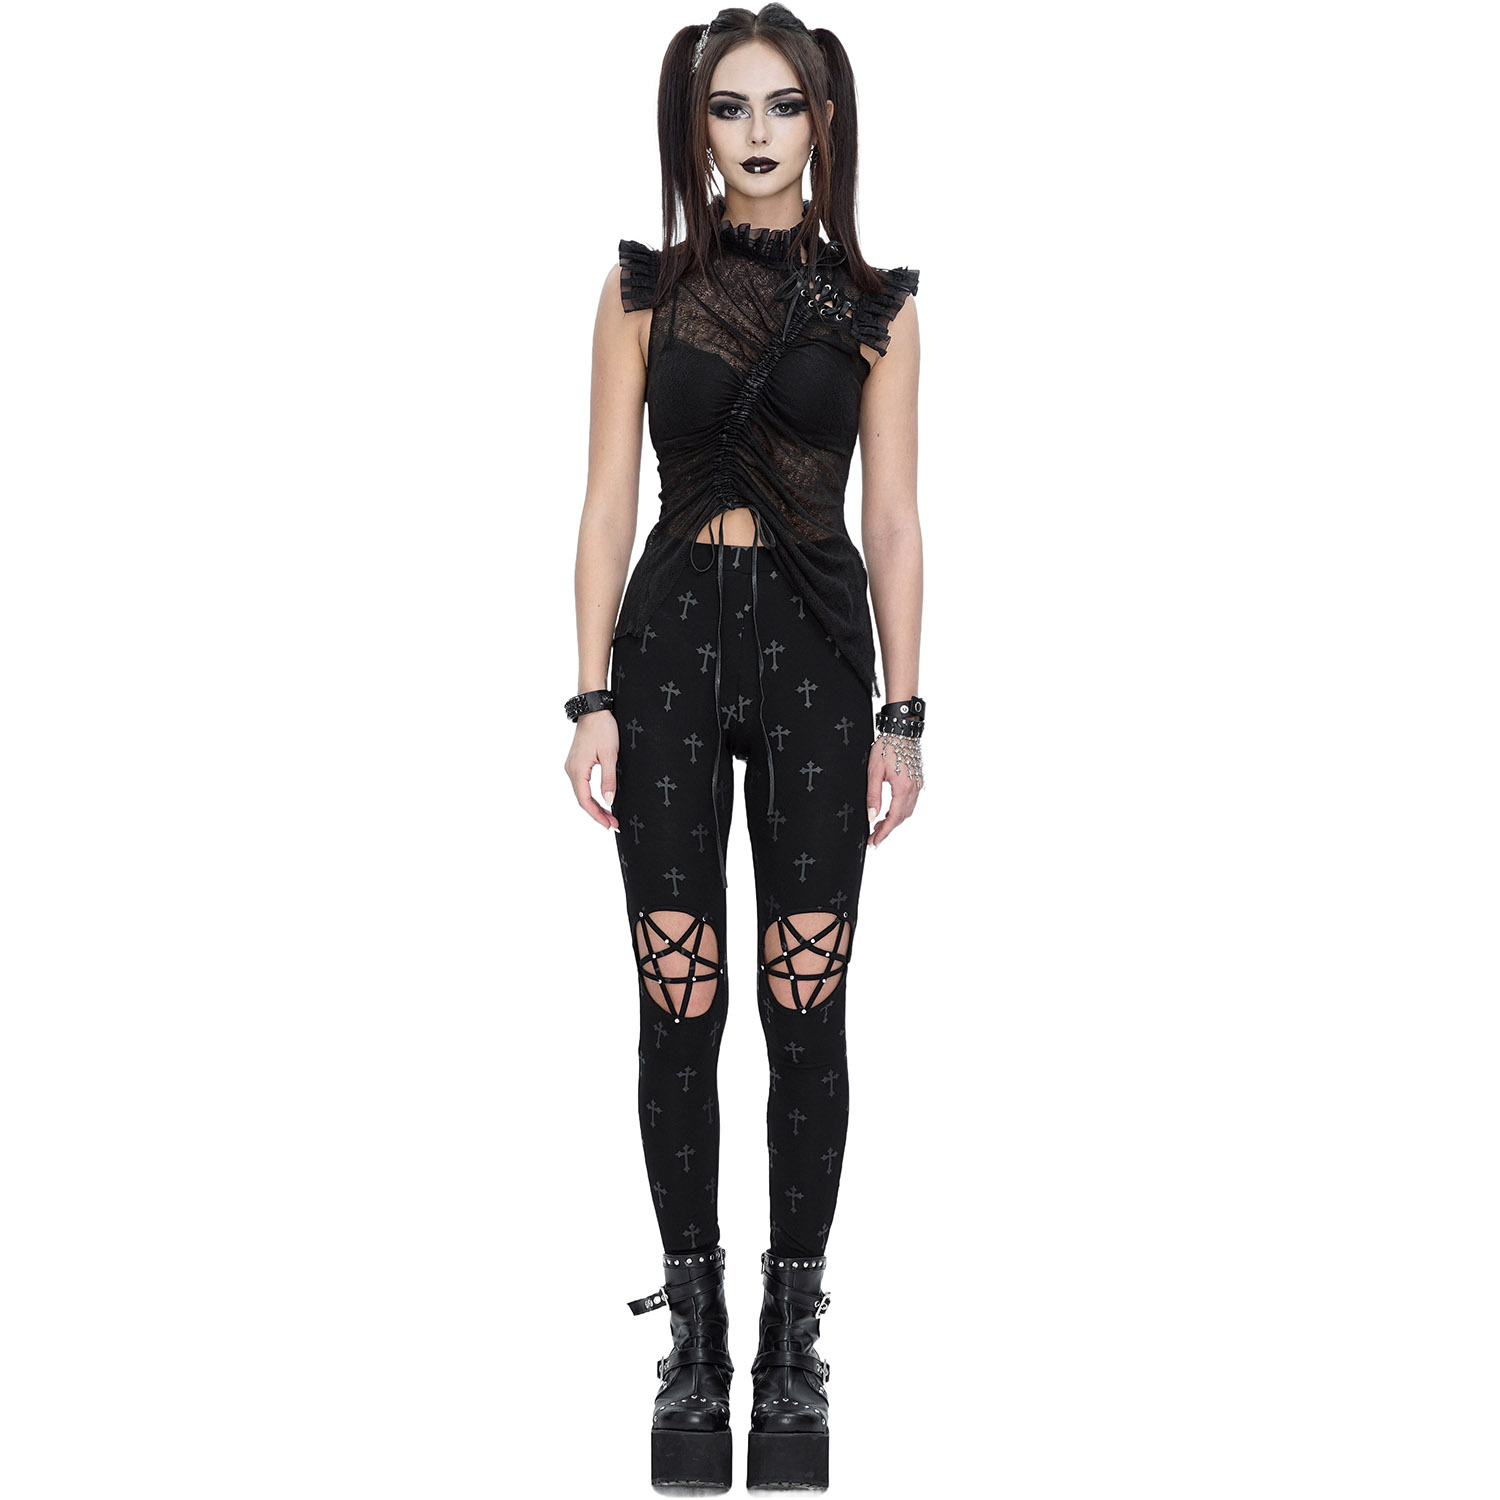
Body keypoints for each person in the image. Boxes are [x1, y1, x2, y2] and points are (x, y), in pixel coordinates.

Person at [564, 7, 925, 1489]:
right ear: (696, 125)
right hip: (667, 650)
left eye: (785, 106)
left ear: (824, 122)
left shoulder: (877, 307)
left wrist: (907, 713)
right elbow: (603, 497)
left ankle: (791, 1343)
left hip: (818, 660)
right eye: (731, 108)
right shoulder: (644, 288)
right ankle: (695, 1342)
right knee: (679, 995)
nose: (759, 133)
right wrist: (587, 694)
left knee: (805, 1001)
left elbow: (893, 515)